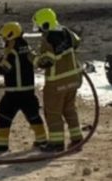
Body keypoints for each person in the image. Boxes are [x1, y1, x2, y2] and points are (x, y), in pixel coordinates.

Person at [0, 22, 49, 153]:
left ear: (11, 35)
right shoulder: (25, 47)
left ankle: (1, 145)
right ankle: (42, 140)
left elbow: (4, 69)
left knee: (4, 116)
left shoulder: (12, 51)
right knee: (33, 116)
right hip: (28, 91)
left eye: (5, 37)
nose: (4, 40)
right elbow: (34, 61)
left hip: (14, 92)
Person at [33, 8, 84, 152]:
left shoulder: (48, 38)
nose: (38, 29)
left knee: (53, 112)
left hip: (57, 83)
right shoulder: (67, 31)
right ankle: (77, 139)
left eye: (39, 25)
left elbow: (46, 62)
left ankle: (56, 143)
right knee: (69, 110)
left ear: (44, 24)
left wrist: (33, 58)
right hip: (73, 79)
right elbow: (77, 42)